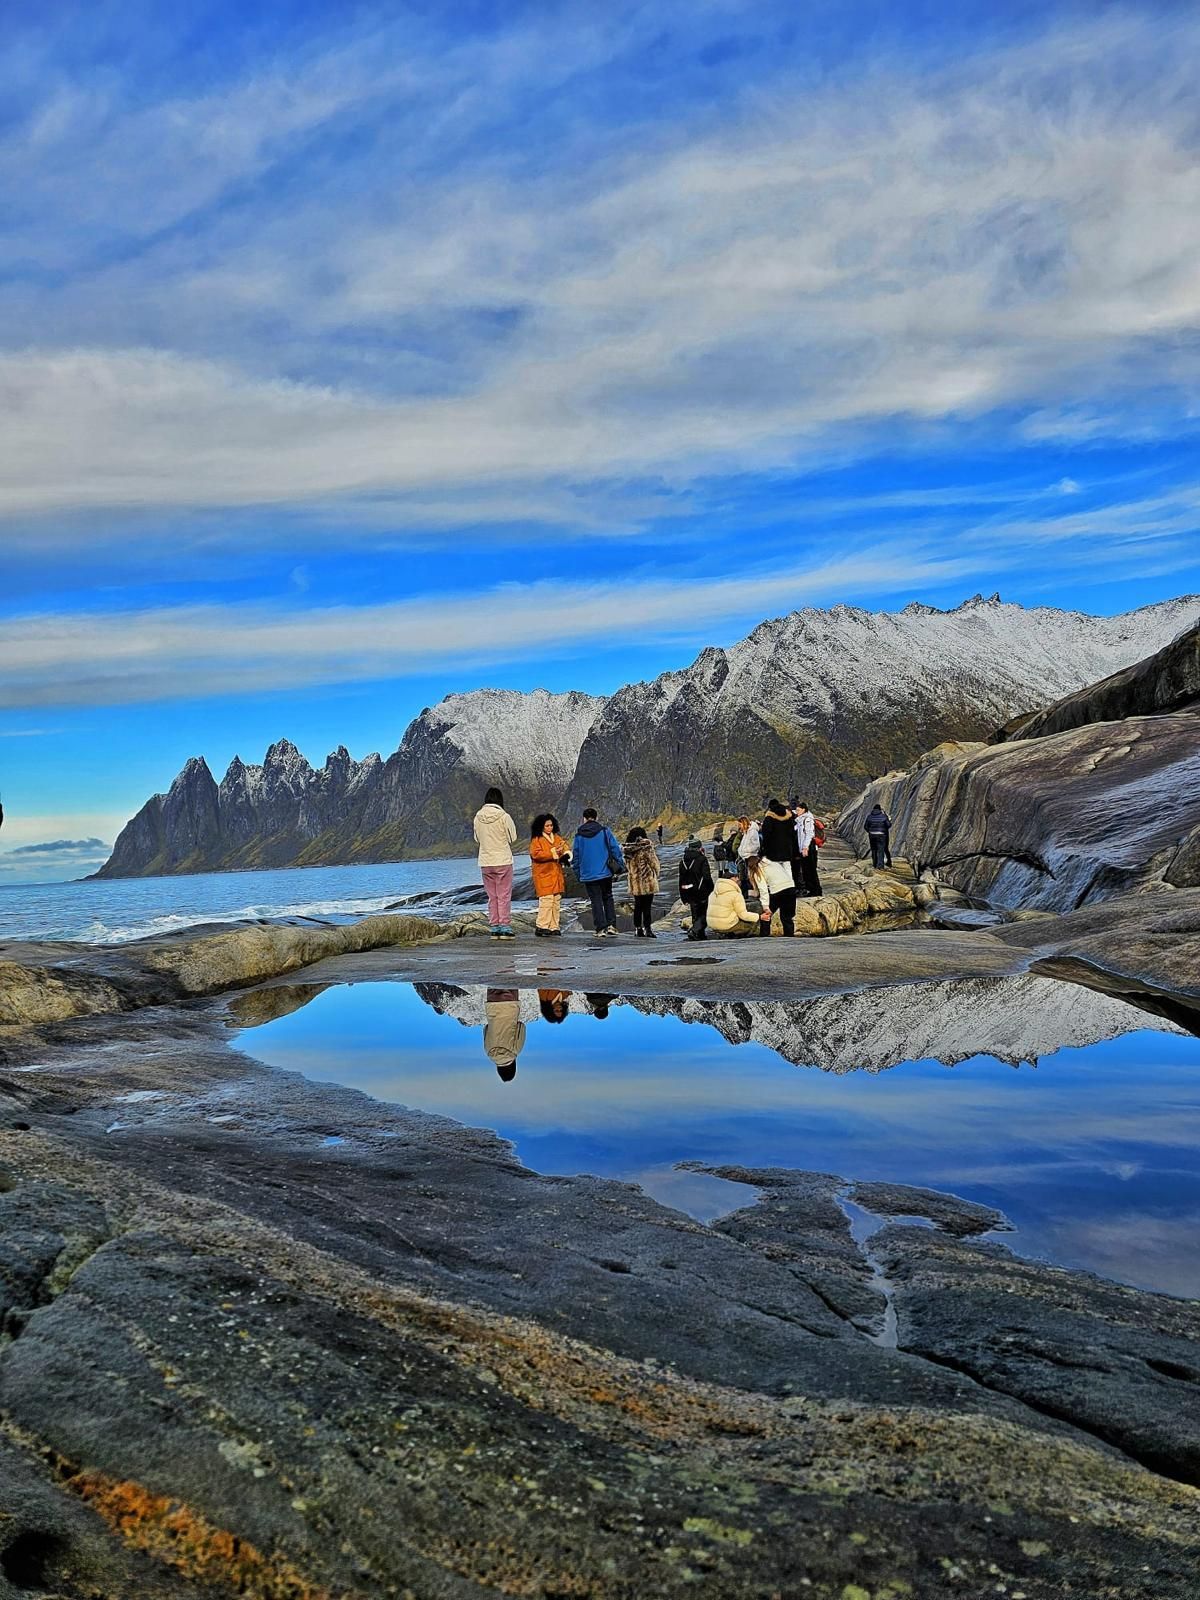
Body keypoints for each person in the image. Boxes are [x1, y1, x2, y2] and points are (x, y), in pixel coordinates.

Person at [571, 807, 624, 936]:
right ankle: (611, 925)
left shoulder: (578, 836)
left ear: (584, 819)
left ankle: (600, 928)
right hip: (605, 872)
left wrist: (578, 874)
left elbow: (576, 857)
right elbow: (614, 849)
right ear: (596, 817)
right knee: (608, 897)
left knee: (595, 901)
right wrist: (620, 865)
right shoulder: (605, 831)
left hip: (588, 874)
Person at [473, 787, 518, 938]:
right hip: (503, 860)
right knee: (503, 895)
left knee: (492, 896)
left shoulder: (477, 817)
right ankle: (504, 926)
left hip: (485, 861)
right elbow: (513, 838)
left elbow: (476, 839)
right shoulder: (504, 816)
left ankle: (494, 927)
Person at [529, 813, 569, 936]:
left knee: (556, 901)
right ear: (541, 826)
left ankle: (554, 926)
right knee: (546, 901)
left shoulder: (556, 837)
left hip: (556, 874)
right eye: (547, 826)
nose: (549, 828)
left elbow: (565, 847)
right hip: (543, 874)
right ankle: (542, 926)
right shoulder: (536, 840)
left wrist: (565, 853)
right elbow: (535, 854)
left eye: (551, 825)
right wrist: (553, 852)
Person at [624, 826, 660, 937]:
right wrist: (655, 874)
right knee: (647, 906)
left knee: (638, 906)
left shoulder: (627, 850)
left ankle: (638, 929)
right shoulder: (646, 847)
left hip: (635, 883)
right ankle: (648, 929)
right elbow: (654, 863)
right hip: (647, 881)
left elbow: (627, 866)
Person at [484, 988, 526, 1081]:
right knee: (493, 976)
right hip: (492, 1005)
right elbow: (486, 1028)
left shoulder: (515, 1051)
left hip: (510, 1005)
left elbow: (521, 1026)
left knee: (510, 976)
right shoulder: (487, 1051)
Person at [679, 836, 714, 940]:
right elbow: (707, 876)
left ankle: (699, 934)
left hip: (687, 890)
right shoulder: (701, 859)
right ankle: (695, 931)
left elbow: (681, 878)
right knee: (704, 913)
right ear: (699, 847)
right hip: (701, 890)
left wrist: (682, 895)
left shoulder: (683, 860)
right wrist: (712, 889)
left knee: (694, 912)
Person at [707, 868, 759, 936]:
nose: (738, 879)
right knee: (750, 925)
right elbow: (743, 915)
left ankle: (725, 933)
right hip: (726, 925)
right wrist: (759, 917)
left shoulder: (713, 893)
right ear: (730, 879)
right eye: (735, 877)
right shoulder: (735, 894)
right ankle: (733, 933)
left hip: (713, 925)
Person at [794, 800, 823, 897]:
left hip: (809, 848)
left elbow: (809, 834)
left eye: (798, 810)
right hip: (804, 848)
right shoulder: (800, 819)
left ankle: (815, 890)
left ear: (803, 810)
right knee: (806, 870)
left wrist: (805, 847)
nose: (797, 812)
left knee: (810, 870)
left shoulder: (807, 819)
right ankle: (811, 889)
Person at [736, 814, 760, 894]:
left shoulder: (752, 831)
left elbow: (756, 845)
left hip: (751, 857)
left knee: (753, 877)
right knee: (748, 877)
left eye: (740, 824)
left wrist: (745, 851)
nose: (739, 826)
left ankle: (757, 892)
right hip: (745, 857)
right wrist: (741, 851)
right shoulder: (746, 832)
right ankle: (752, 892)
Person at [865, 803, 892, 869]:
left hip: (872, 835)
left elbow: (865, 826)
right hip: (881, 835)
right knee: (881, 850)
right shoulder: (883, 816)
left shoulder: (869, 816)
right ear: (880, 809)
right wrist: (888, 819)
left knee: (874, 849)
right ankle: (880, 866)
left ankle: (874, 864)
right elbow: (888, 825)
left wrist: (870, 831)